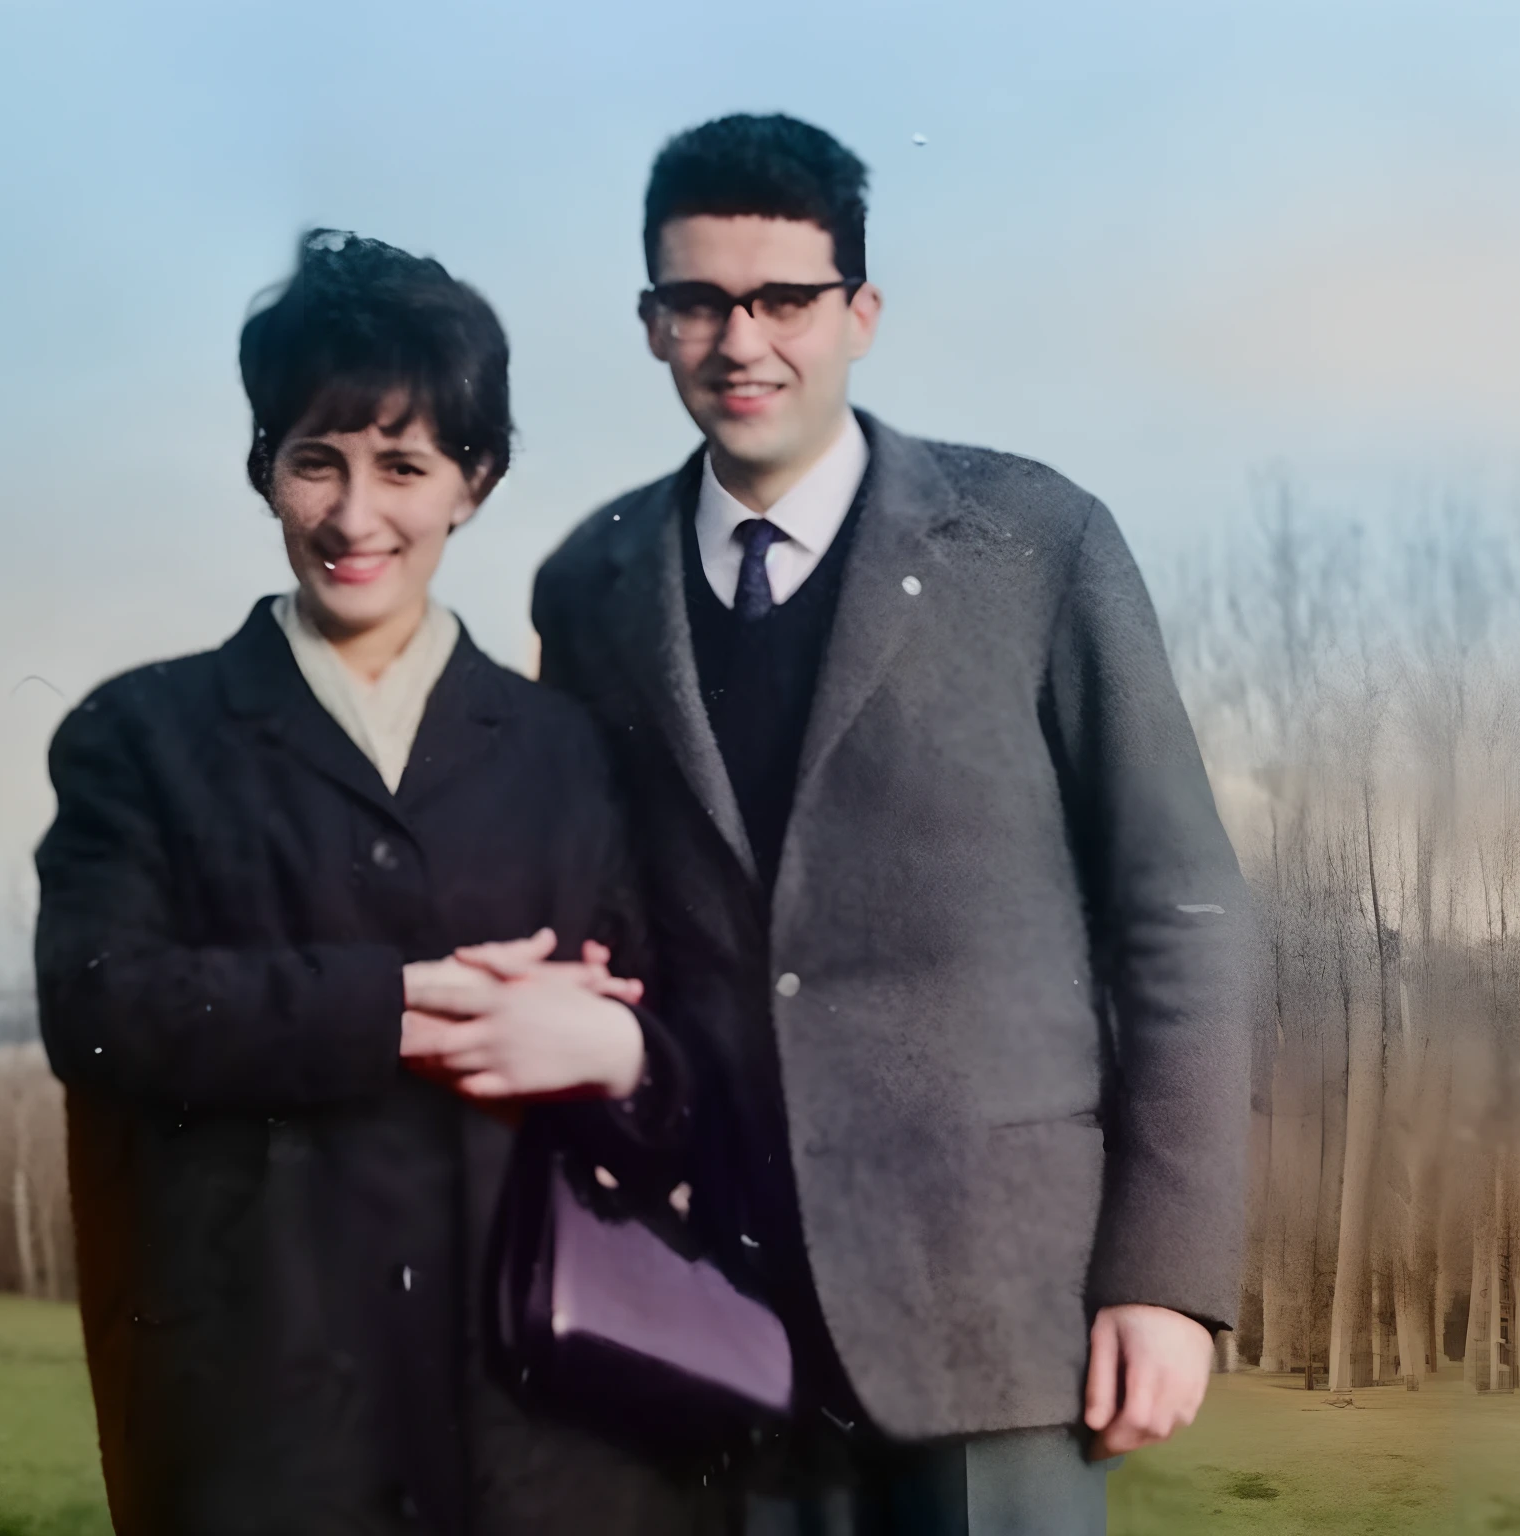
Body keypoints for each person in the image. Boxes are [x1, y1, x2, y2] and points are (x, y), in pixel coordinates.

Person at [524, 114, 1254, 1534]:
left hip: (999, 1324)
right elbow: (600, 928)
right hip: (712, 1320)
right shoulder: (590, 588)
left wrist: (1164, 1275)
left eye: (785, 298)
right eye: (698, 302)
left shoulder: (1035, 542)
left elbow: (1183, 918)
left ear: (860, 312)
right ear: (651, 322)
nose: (744, 342)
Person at [33, 231, 701, 1535]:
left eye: (403, 465)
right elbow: (101, 1004)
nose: (353, 516)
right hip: (265, 1429)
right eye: (315, 461)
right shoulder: (142, 738)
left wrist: (614, 1046)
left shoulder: (571, 755)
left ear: (476, 479)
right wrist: (402, 1004)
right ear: (262, 468)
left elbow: (673, 1064)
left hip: (554, 1442)